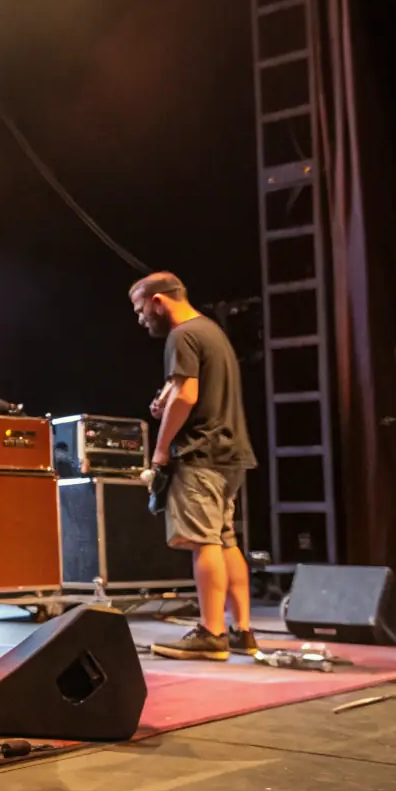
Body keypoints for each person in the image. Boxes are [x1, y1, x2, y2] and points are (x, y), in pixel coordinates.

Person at [130, 271, 258, 661]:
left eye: (140, 310)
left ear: (158, 301)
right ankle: (242, 631)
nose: (140, 320)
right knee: (225, 541)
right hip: (228, 454)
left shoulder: (181, 335)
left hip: (200, 454)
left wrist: (161, 449)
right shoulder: (211, 331)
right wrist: (165, 403)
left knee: (203, 542)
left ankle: (211, 633)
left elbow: (186, 395)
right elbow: (184, 392)